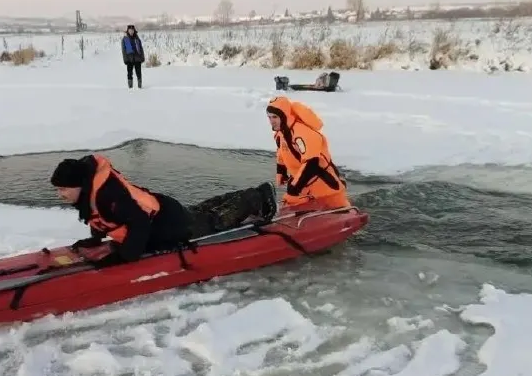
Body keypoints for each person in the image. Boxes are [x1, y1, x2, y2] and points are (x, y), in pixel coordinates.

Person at [49, 154, 277, 265]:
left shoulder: (110, 195)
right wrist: (95, 239)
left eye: (63, 189)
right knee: (204, 210)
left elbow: (138, 223)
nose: (61, 195)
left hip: (171, 225)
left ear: (80, 185)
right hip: (162, 210)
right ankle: (250, 193)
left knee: (213, 220)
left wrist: (124, 257)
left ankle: (257, 196)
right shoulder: (92, 192)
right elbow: (98, 216)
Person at [266, 95, 350, 210]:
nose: (271, 121)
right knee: (291, 203)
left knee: (336, 207)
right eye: (269, 117)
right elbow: (282, 152)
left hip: (324, 184)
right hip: (304, 185)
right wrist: (281, 171)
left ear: (284, 115)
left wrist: (295, 187)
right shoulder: (281, 134)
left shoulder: (303, 133)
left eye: (274, 117)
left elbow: (312, 163)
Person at [121, 24, 145, 89]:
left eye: (132, 30)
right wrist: (125, 59)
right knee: (129, 73)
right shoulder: (124, 39)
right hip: (129, 59)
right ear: (128, 31)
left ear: (134, 30)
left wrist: (142, 57)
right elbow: (124, 50)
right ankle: (130, 88)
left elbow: (141, 48)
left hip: (137, 58)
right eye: (130, 30)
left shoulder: (137, 38)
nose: (131, 31)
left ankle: (140, 87)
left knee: (139, 73)